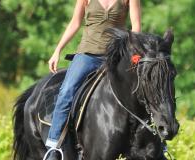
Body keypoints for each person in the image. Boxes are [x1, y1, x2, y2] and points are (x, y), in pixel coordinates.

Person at [44, 0, 141, 158]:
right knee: (66, 91)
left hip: (117, 56)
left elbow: (136, 27)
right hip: (88, 54)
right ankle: (53, 146)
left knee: (141, 89)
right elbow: (75, 23)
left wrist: (132, 52)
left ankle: (155, 142)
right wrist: (58, 50)